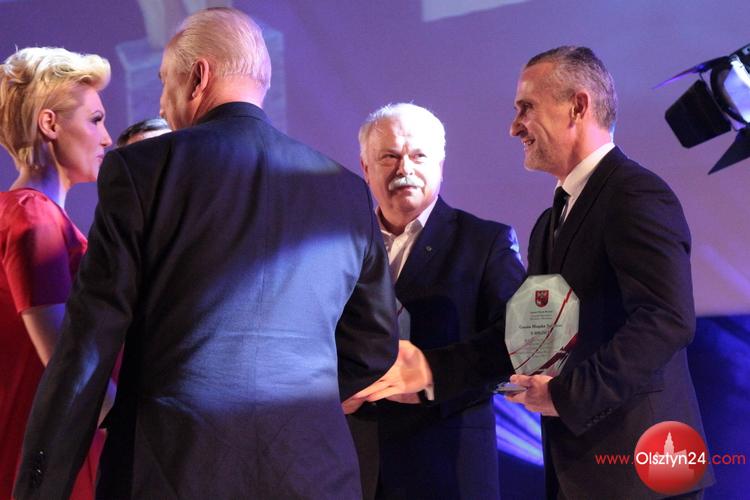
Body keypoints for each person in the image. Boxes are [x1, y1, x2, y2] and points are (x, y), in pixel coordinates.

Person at [14, 8, 397, 499]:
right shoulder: (344, 189)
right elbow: (374, 344)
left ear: (198, 78)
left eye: (164, 82)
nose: (162, 102)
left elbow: (87, 348)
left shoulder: (142, 170)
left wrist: (39, 489)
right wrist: (300, 403)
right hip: (313, 476)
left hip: (171, 472)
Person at [505, 46, 714, 498]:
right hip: (579, 474)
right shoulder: (548, 222)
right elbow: (539, 333)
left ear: (577, 106)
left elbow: (666, 319)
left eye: (526, 107)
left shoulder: (634, 193)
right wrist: (432, 371)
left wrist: (566, 395)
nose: (514, 126)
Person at [349, 103, 525, 499]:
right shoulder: (338, 246)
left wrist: (432, 373)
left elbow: (519, 341)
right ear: (365, 167)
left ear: (440, 165)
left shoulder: (485, 242)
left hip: (448, 471)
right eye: (389, 157)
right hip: (352, 470)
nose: (404, 169)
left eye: (418, 155)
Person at [0, 46, 114, 500]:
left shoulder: (31, 214)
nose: (106, 138)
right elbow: (68, 362)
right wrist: (140, 427)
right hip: (43, 463)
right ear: (50, 124)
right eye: (95, 120)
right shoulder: (34, 216)